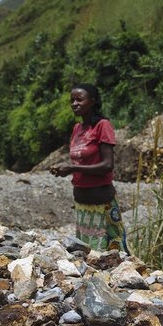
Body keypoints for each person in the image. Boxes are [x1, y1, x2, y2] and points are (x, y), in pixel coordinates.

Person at [50, 83, 128, 252]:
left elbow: (108, 165)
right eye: (72, 100)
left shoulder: (102, 125)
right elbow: (80, 162)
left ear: (92, 101)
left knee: (111, 255)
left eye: (79, 99)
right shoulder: (77, 128)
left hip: (101, 202)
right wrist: (64, 169)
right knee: (88, 256)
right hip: (82, 202)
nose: (74, 104)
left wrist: (72, 169)